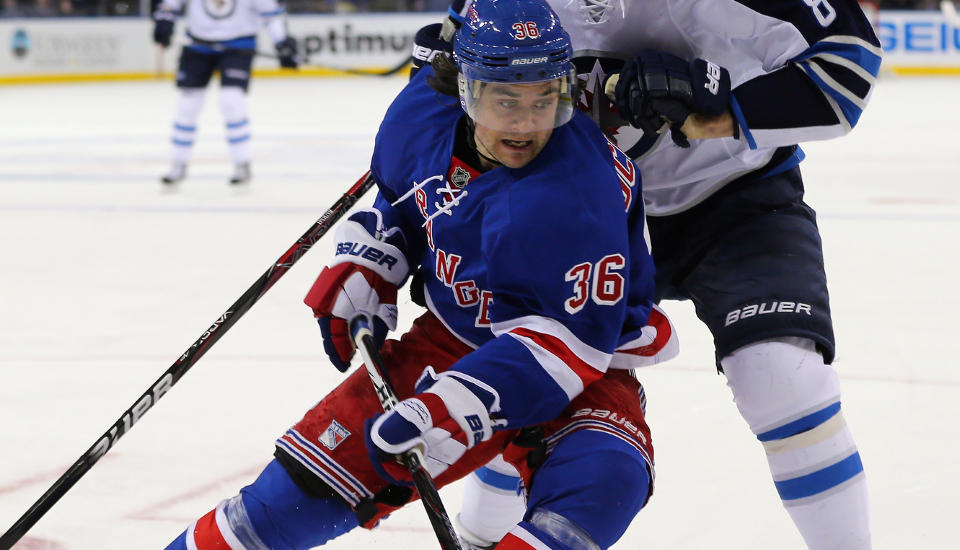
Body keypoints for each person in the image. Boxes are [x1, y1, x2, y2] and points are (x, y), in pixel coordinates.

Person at [162, 0, 679, 548]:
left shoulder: (578, 192)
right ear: (465, 89)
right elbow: (409, 206)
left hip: (575, 363)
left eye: (545, 100)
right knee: (278, 507)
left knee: (603, 481)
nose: (526, 124)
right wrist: (376, 255)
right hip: (452, 339)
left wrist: (455, 406)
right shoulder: (418, 119)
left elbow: (570, 345)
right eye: (505, 100)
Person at [442, 0, 883, 549]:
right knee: (531, 388)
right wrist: (384, 233)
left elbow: (848, 67)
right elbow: (448, 87)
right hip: (571, 206)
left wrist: (719, 109)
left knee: (783, 378)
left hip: (732, 200)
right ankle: (477, 539)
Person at [152, 0, 300, 187]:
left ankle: (241, 162)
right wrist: (164, 21)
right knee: (188, 105)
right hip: (197, 45)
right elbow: (170, 5)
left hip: (239, 45)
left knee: (231, 101)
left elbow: (272, 15)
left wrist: (282, 42)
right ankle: (178, 163)